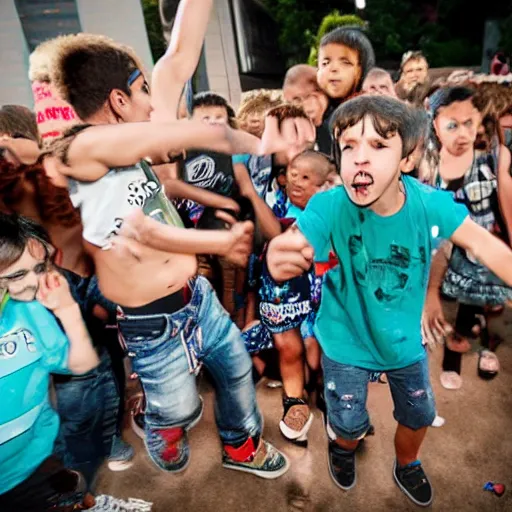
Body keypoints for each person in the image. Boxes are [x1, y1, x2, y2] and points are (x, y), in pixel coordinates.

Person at [47, 21, 313, 477]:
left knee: (235, 372)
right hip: (152, 324)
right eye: (143, 91)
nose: (153, 102)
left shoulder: (131, 147)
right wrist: (257, 143)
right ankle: (160, 421)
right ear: (118, 99)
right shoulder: (82, 150)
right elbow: (195, 135)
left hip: (198, 300)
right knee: (181, 410)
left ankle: (240, 446)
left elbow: (179, 58)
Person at [266, 95, 512, 507]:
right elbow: (292, 243)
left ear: (407, 160)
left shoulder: (429, 204)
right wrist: (279, 254)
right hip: (344, 344)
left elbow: (490, 248)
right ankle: (342, 449)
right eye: (348, 146)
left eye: (379, 146)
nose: (360, 159)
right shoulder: (328, 205)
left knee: (417, 414)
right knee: (346, 422)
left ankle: (407, 463)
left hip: (403, 345)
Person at [0, 214, 145, 510]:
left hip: (39, 456)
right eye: (17, 275)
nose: (35, 281)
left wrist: (69, 310)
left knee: (71, 479)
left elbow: (79, 361)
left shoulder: (33, 306)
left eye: (39, 268)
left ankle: (85, 496)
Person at [243, 150, 338, 446]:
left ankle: (328, 395)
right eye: (293, 174)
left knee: (319, 352)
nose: (296, 182)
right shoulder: (276, 203)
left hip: (321, 297)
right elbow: (270, 236)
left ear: (324, 184)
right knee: (288, 349)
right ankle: (295, 402)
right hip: (283, 294)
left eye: (307, 177)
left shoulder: (333, 213)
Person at [421, 86, 512, 389]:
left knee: (493, 303)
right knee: (460, 307)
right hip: (453, 248)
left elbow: (505, 199)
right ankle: (452, 357)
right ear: (435, 125)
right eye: (451, 125)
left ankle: (489, 348)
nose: (462, 134)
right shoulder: (432, 171)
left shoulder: (491, 160)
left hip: (491, 242)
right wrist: (431, 289)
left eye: (469, 123)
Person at [282, 64, 330, 153]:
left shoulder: (335, 124)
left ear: (317, 96)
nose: (291, 109)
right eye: (288, 103)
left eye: (297, 99)